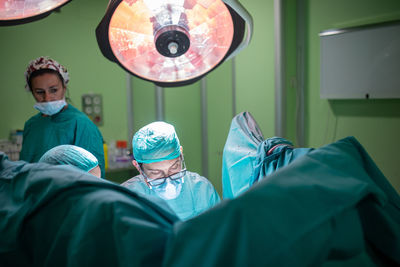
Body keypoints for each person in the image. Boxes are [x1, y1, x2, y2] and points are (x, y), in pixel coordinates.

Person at [19, 56, 105, 177]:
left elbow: (94, 177)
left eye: (53, 90)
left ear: (64, 88)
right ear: (32, 92)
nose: (47, 98)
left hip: (68, 194)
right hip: (34, 194)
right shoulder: (31, 125)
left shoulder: (81, 124)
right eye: (39, 92)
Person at [122, 121, 220, 220]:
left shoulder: (202, 190)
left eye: (174, 167)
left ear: (181, 154)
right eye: (156, 173)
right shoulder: (127, 199)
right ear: (138, 167)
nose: (169, 182)